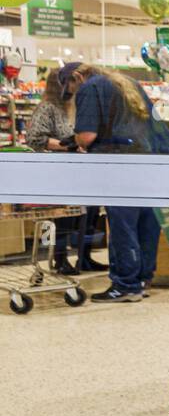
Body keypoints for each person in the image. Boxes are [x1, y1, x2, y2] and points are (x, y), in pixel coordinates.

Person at [69, 63, 169, 302]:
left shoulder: (90, 88)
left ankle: (125, 284)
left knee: (122, 224)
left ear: (78, 77)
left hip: (117, 164)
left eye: (71, 87)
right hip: (148, 162)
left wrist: (73, 141)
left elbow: (87, 136)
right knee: (146, 223)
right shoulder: (130, 84)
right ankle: (142, 280)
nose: (73, 92)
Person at [26, 67, 106, 275]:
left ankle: (84, 256)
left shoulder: (78, 105)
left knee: (88, 214)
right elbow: (36, 139)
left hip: (82, 170)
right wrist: (69, 146)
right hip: (60, 172)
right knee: (64, 218)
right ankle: (59, 259)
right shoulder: (47, 108)